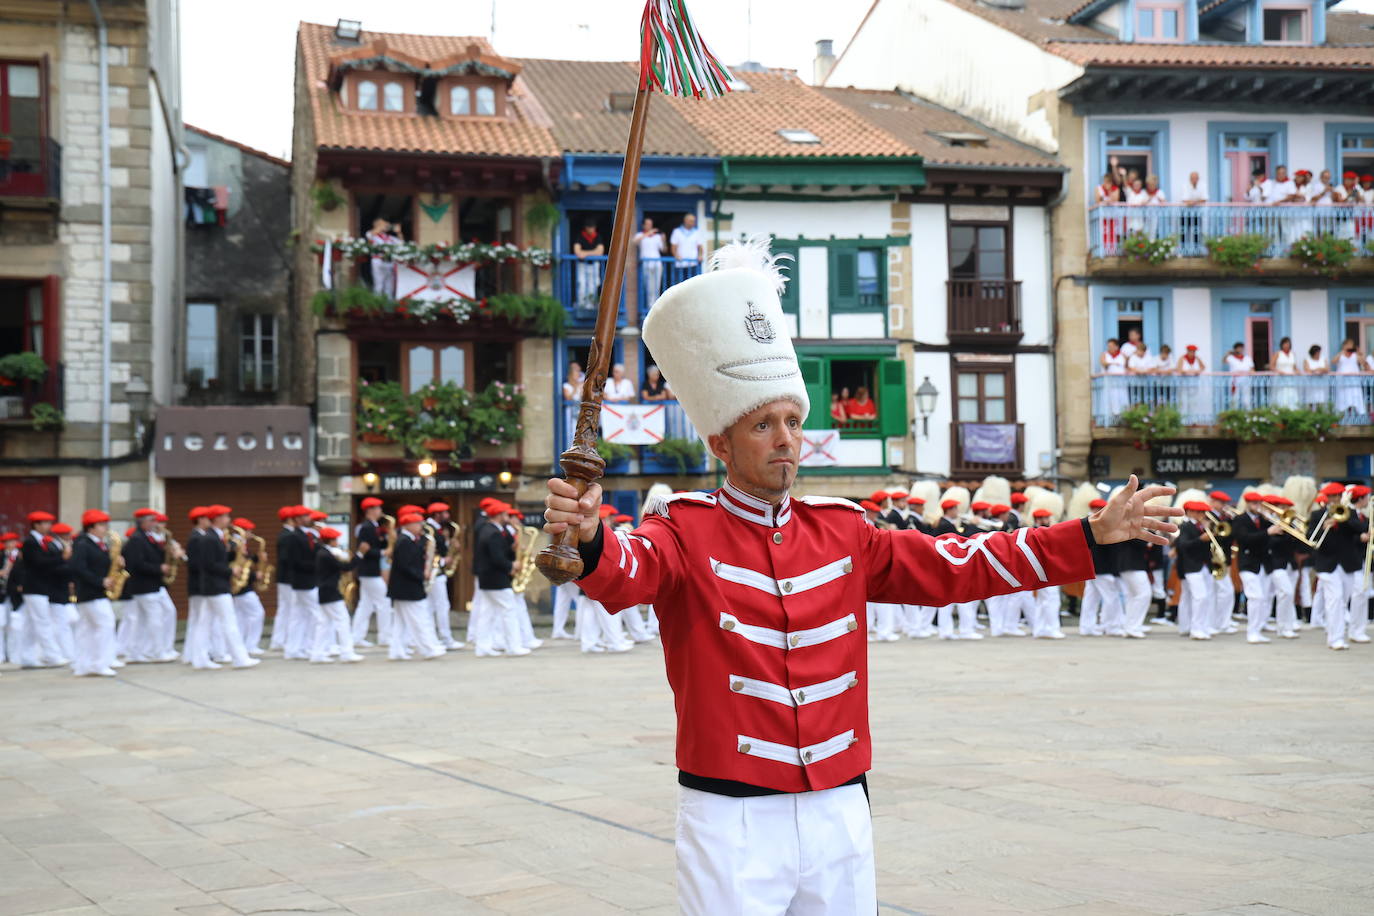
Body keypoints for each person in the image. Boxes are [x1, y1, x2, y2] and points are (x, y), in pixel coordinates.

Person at [543, 237, 1178, 914]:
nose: (786, 439)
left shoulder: (842, 529)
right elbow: (628, 572)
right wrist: (588, 534)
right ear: (721, 442)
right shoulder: (682, 528)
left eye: (792, 420)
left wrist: (1089, 535)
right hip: (730, 818)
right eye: (763, 425)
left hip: (839, 807)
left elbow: (960, 567)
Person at [185, 505, 258, 670]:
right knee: (229, 622)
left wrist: (234, 553)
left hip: (211, 587)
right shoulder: (210, 538)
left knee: (205, 623)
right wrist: (231, 570)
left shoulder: (214, 537)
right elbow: (209, 564)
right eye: (226, 516)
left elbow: (217, 560)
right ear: (217, 519)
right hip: (216, 587)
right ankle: (240, 658)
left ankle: (200, 659)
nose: (229, 520)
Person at [387, 511, 446, 661]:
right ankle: (428, 649)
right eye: (418, 523)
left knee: (400, 622)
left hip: (403, 588)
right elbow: (406, 566)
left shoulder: (409, 540)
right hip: (407, 587)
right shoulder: (404, 541)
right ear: (409, 525)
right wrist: (422, 575)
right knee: (419, 619)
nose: (421, 526)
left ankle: (397, 650)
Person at [473, 502, 529, 658]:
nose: (508, 518)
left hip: (488, 578)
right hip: (496, 578)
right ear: (499, 516)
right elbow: (497, 558)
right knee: (509, 611)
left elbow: (496, 552)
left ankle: (482, 647)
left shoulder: (489, 530)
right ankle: (514, 646)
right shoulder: (493, 533)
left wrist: (511, 548)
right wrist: (512, 565)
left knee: (487, 613)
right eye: (505, 514)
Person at [70, 510, 118, 677]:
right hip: (91, 592)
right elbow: (78, 568)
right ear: (91, 528)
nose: (105, 528)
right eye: (101, 525)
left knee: (87, 629)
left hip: (95, 592)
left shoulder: (98, 543)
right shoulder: (83, 544)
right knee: (105, 625)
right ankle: (99, 663)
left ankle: (84, 664)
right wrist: (100, 581)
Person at [18, 510, 68, 668]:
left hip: (40, 588)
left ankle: (26, 657)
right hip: (34, 587)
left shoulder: (42, 542)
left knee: (31, 625)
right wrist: (61, 557)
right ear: (36, 525)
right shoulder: (30, 542)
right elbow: (39, 563)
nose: (48, 526)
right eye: (45, 523)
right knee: (43, 622)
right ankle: (52, 656)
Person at [313, 527, 363, 664]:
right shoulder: (326, 555)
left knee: (324, 624)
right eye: (336, 539)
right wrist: (359, 555)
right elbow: (345, 567)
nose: (338, 542)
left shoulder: (323, 553)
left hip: (325, 591)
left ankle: (317, 654)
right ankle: (347, 652)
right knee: (343, 621)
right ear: (331, 541)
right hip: (331, 591)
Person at [1231, 491, 1273, 644]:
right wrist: (1267, 531)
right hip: (1247, 563)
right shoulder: (1239, 519)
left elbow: (1274, 537)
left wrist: (1271, 521)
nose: (1257, 506)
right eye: (1254, 503)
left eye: (1259, 503)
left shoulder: (1263, 520)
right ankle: (1252, 632)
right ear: (1247, 504)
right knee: (1256, 597)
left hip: (1262, 564)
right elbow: (1244, 539)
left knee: (1262, 599)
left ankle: (1258, 629)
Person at [350, 497, 390, 648]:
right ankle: (385, 637)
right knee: (384, 602)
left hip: (368, 572)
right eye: (378, 508)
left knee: (365, 605)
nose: (380, 511)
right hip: (369, 571)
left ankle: (356, 637)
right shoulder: (367, 527)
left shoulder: (372, 526)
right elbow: (365, 550)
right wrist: (383, 552)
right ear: (370, 511)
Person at [1174, 501, 1216, 640]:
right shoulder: (1186, 526)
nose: (1202, 515)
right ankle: (1196, 629)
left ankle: (1189, 626)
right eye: (1199, 512)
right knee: (1200, 597)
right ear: (1190, 512)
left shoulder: (1199, 525)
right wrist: (1201, 538)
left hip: (1203, 565)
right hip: (1191, 566)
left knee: (1193, 597)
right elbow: (1184, 545)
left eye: (1203, 512)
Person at [425, 502, 462, 650]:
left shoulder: (439, 528)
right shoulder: (429, 529)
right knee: (440, 606)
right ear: (437, 514)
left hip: (437, 571)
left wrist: (450, 543)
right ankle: (445, 638)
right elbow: (427, 550)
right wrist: (442, 560)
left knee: (432, 607)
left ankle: (433, 638)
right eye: (445, 513)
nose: (448, 516)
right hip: (435, 571)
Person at [1264, 494, 1301, 640]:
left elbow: (1296, 545)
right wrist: (1283, 533)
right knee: (1285, 593)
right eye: (1281, 507)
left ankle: (1288, 624)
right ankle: (1282, 627)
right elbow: (1270, 543)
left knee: (1287, 595)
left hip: (1290, 564)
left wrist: (1296, 533)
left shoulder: (1288, 522)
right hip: (1275, 563)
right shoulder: (1268, 523)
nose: (1283, 509)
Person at [229, 517, 267, 655]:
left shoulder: (238, 544)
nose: (252, 534)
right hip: (241, 586)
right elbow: (236, 566)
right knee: (257, 613)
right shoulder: (235, 545)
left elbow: (246, 562)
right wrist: (254, 576)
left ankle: (242, 644)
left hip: (241, 586)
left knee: (241, 617)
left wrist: (257, 558)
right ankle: (251, 644)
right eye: (250, 531)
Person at [573, 218, 605, 316]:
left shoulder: (598, 237)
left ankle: (590, 305)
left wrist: (585, 253)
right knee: (581, 285)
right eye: (589, 227)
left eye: (593, 227)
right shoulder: (580, 236)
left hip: (594, 265)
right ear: (586, 228)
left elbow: (600, 252)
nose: (591, 230)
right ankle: (582, 305)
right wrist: (592, 253)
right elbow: (577, 252)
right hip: (582, 265)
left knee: (593, 285)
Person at [365, 218, 402, 299]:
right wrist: (380, 226)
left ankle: (388, 307)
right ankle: (377, 306)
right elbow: (370, 235)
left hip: (389, 262)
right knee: (378, 284)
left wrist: (399, 232)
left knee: (389, 286)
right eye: (384, 224)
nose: (386, 226)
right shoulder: (372, 234)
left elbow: (401, 244)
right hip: (378, 260)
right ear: (377, 225)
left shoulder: (389, 237)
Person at [635, 217, 666, 302]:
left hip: (657, 263)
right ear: (643, 225)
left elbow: (664, 250)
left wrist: (663, 240)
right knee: (648, 287)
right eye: (647, 224)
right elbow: (634, 242)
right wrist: (648, 233)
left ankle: (655, 304)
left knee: (657, 286)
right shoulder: (639, 235)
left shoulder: (657, 236)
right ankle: (650, 306)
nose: (649, 226)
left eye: (650, 224)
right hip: (646, 264)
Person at [1333, 338, 1365, 420]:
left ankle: (1355, 417)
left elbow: (1363, 363)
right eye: (1348, 345)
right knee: (1343, 398)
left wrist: (1359, 353)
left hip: (1354, 381)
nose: (1350, 346)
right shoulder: (1340, 354)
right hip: (1342, 381)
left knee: (1354, 398)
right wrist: (1341, 352)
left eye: (1351, 345)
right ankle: (1342, 417)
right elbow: (1333, 361)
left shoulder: (1355, 355)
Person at [1100, 338, 1128, 421]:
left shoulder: (1123, 355)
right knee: (1111, 398)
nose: (1110, 347)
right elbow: (1103, 363)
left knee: (1121, 398)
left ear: (1116, 346)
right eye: (1108, 346)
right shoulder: (1104, 354)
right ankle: (1111, 418)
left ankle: (1123, 417)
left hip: (1121, 381)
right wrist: (1112, 363)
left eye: (1111, 346)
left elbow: (1127, 366)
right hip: (1110, 382)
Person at [1224, 341, 1254, 409]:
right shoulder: (1231, 357)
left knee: (1246, 399)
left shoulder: (1247, 358)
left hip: (1246, 379)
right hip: (1235, 380)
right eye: (1238, 348)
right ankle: (1234, 414)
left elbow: (1252, 369)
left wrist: (1249, 372)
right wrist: (1228, 353)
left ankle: (1248, 415)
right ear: (1235, 349)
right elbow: (1224, 361)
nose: (1240, 349)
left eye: (1241, 348)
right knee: (1235, 398)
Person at [1272, 336, 1299, 408]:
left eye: (1288, 343)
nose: (1287, 345)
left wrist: (1298, 372)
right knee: (1282, 394)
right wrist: (1279, 371)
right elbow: (1272, 366)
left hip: (1291, 379)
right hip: (1281, 378)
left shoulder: (1292, 354)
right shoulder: (1278, 353)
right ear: (1282, 344)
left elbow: (1294, 367)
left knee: (1291, 394)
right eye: (1285, 343)